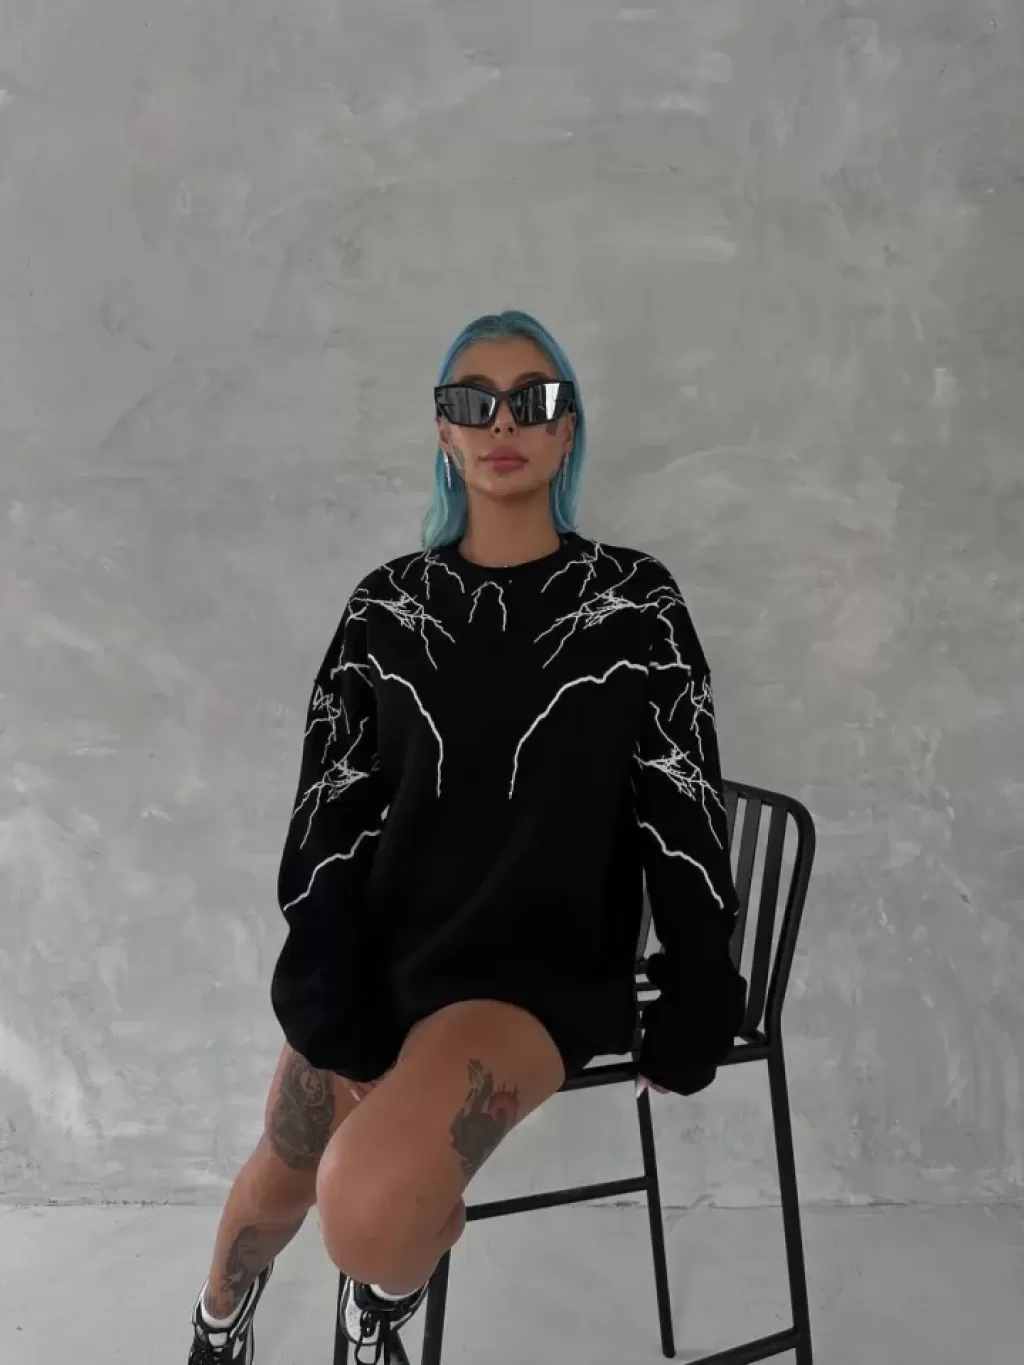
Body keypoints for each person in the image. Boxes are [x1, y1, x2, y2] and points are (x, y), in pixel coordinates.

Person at [187, 311, 747, 1365]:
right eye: (471, 401)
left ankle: (377, 1309)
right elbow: (329, 815)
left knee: (366, 1208)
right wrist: (327, 986)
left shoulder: (634, 603)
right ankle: (218, 1322)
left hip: (530, 979)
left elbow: (680, 801)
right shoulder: (387, 607)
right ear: (442, 432)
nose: (503, 422)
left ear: (569, 430)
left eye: (535, 400)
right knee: (285, 1165)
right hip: (389, 955)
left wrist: (698, 986)